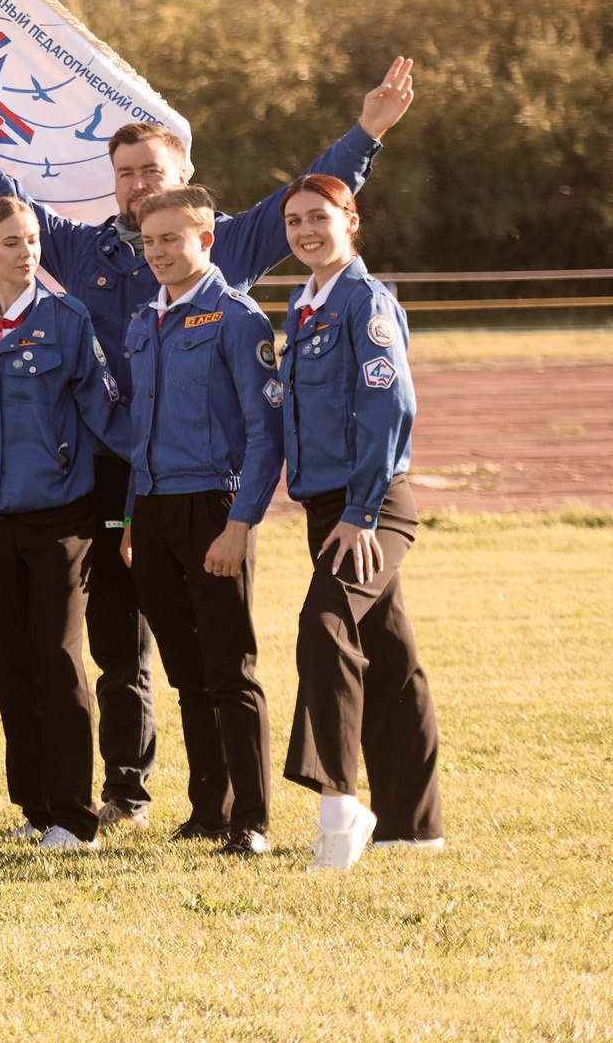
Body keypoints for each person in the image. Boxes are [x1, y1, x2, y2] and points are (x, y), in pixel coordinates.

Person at [0, 57, 416, 830]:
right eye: (125, 172)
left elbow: (310, 195)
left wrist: (367, 132)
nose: (137, 184)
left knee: (213, 651)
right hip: (109, 477)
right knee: (115, 640)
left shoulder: (220, 243)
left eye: (151, 170)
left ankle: (232, 807)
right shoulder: (81, 251)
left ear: (184, 174)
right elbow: (1, 197)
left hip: (203, 479)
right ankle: (128, 788)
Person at [274, 174, 443, 869]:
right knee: (392, 656)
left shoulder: (364, 300)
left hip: (370, 506)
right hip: (327, 507)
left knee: (325, 625)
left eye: (319, 217)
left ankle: (340, 806)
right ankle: (415, 825)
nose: (306, 231)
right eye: (293, 222)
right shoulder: (304, 302)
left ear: (351, 220)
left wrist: (362, 509)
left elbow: (390, 407)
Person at [0, 197, 129, 851]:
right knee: (11, 661)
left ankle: (74, 816)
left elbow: (107, 415)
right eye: (10, 242)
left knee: (57, 661)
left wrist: (153, 480)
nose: (25, 251)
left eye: (31, 240)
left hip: (60, 517)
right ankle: (34, 804)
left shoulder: (66, 320)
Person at [118, 185, 285, 857]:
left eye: (171, 239)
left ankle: (253, 821)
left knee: (229, 669)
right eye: (149, 241)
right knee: (185, 671)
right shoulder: (144, 320)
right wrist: (132, 518)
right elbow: (141, 430)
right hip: (154, 512)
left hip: (215, 509)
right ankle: (208, 810)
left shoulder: (237, 319)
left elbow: (264, 435)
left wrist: (240, 524)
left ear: (205, 239)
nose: (158, 252)